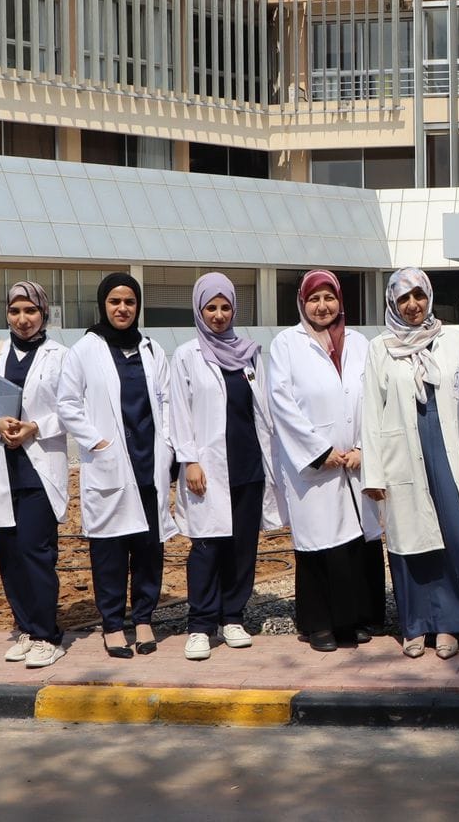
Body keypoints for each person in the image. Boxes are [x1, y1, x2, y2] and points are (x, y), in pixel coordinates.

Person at [363, 268, 459, 659]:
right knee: (414, 539)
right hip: (402, 454)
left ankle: (455, 625)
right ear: (392, 303)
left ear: (429, 297)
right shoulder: (380, 348)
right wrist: (373, 474)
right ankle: (417, 625)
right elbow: (370, 412)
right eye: (403, 298)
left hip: (449, 449)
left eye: (419, 296)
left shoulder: (453, 341)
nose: (413, 305)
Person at [56, 272, 178, 659]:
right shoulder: (85, 350)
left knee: (148, 549)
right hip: (109, 462)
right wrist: (97, 441)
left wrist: (168, 447)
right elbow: (67, 404)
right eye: (115, 302)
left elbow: (167, 402)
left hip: (148, 462)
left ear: (138, 306)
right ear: (103, 305)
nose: (122, 308)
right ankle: (112, 624)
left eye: (129, 302)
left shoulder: (151, 349)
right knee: (109, 550)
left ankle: (143, 619)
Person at [168, 273, 287, 661]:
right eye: (210, 308)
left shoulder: (249, 353)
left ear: (234, 309)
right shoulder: (187, 355)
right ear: (199, 310)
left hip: (248, 464)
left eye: (225, 307)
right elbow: (178, 412)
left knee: (242, 546)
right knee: (206, 547)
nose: (218, 315)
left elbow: (262, 409)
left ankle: (232, 617)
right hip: (207, 468)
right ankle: (201, 624)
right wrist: (189, 460)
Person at [0, 281, 70, 669]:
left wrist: (35, 427)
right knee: (9, 555)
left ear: (44, 313)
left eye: (30, 310)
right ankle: (25, 627)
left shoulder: (61, 356)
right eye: (15, 311)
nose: (23, 319)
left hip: (39, 469)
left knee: (35, 551)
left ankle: (47, 636)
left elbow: (73, 409)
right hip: (0, 468)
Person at [267, 269, 376, 652]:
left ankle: (354, 620)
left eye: (329, 297)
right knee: (318, 543)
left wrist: (363, 447)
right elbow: (281, 404)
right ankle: (319, 624)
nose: (322, 306)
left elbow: (375, 398)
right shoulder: (286, 344)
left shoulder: (360, 343)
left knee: (355, 540)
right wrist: (318, 451)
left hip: (354, 461)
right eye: (314, 298)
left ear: (340, 301)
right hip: (314, 464)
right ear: (302, 302)